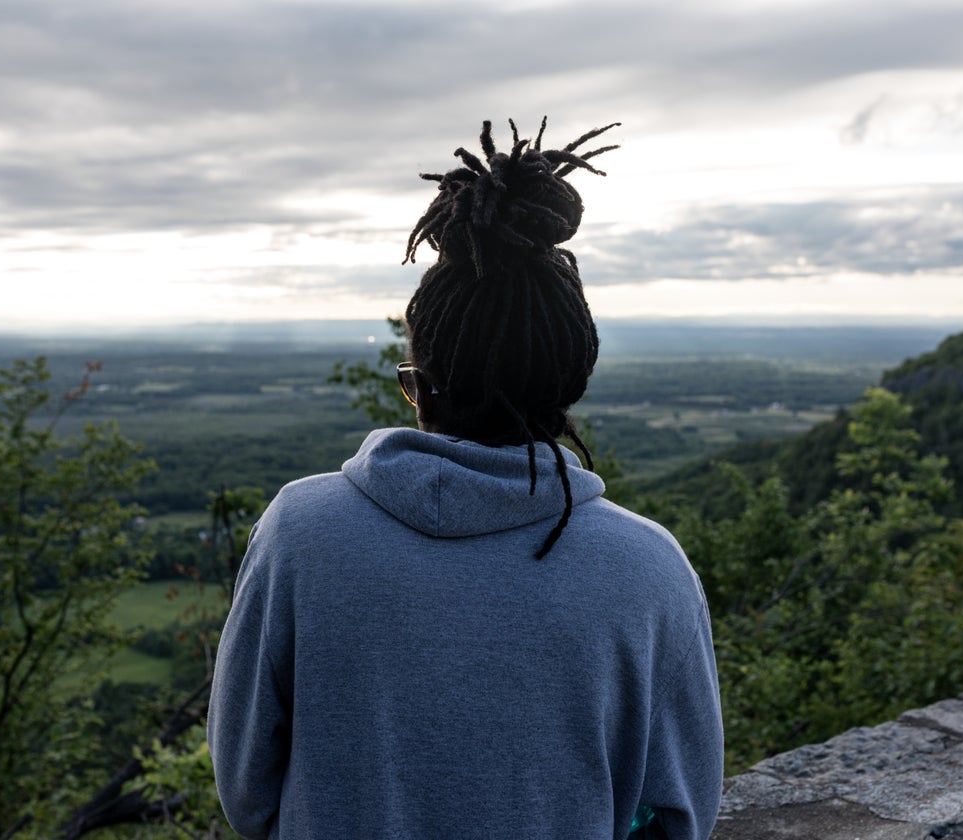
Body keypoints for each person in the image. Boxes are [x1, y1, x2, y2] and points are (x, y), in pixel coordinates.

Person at [208, 118, 724, 840]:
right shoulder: (649, 568)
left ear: (421, 385)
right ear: (570, 381)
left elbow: (246, 788)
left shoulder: (299, 534)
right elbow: (679, 814)